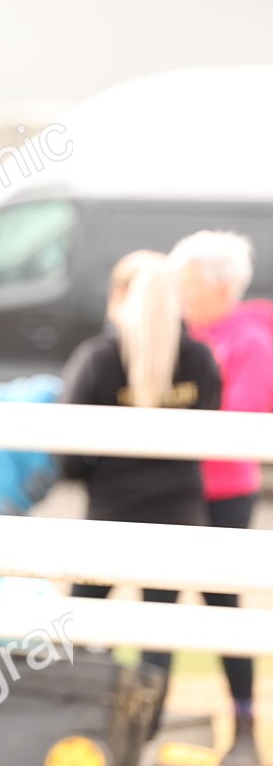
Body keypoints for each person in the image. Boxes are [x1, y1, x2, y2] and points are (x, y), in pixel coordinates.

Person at [60, 251, 221, 737]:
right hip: (178, 513)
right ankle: (143, 735)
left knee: (85, 624)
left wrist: (100, 475)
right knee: (158, 633)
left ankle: (84, 727)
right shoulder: (200, 360)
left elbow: (68, 454)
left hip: (111, 511)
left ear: (121, 297)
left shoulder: (99, 358)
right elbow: (210, 433)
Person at [170, 230, 273, 766]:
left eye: (188, 284)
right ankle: (140, 716)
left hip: (223, 494)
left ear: (220, 286)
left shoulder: (249, 340)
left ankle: (245, 724)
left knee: (224, 606)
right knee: (157, 601)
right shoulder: (178, 332)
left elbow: (242, 418)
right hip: (172, 490)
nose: (180, 293)